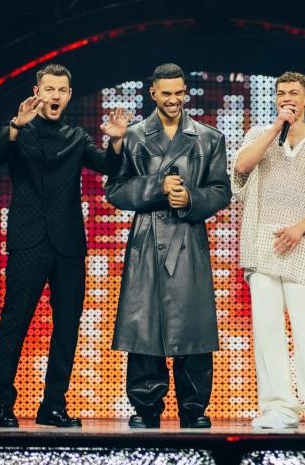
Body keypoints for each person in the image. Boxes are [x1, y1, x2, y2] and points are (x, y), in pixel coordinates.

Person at [0, 63, 129, 428]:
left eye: (61, 90)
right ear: (37, 91)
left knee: (67, 326)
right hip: (28, 240)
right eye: (49, 89)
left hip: (68, 244)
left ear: (68, 95)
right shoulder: (20, 131)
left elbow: (109, 167)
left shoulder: (75, 137)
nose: (55, 96)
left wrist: (116, 140)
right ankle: (3, 404)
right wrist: (16, 126)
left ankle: (52, 404)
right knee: (14, 322)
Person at [105, 63, 232, 429]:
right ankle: (146, 408)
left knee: (192, 324)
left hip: (188, 239)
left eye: (179, 93)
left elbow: (221, 191)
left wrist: (190, 197)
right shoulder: (133, 136)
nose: (174, 99)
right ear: (154, 94)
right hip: (146, 239)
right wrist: (156, 187)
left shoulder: (208, 137)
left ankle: (194, 409)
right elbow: (114, 189)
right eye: (167, 93)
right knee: (145, 325)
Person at [232, 72, 305, 429]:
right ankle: (278, 407)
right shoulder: (259, 136)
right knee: (268, 330)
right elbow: (240, 168)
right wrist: (274, 128)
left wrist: (298, 229)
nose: (287, 98)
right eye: (281, 94)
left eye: (294, 93)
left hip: (302, 243)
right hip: (262, 242)